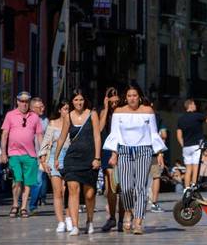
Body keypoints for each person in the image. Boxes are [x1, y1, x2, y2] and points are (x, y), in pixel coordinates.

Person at [103, 86, 167, 235]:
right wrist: (114, 153)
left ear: (139, 97)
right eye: (129, 95)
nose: (132, 98)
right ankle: (128, 211)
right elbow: (115, 134)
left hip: (144, 150)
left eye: (135, 95)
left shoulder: (147, 111)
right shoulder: (119, 112)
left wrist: (159, 153)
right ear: (126, 98)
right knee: (125, 187)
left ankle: (138, 221)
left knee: (140, 187)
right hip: (124, 151)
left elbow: (153, 133)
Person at [55, 89, 102, 235]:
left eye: (81, 100)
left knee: (89, 194)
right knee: (73, 190)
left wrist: (97, 157)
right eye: (75, 100)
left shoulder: (92, 114)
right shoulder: (68, 116)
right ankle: (75, 225)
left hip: (89, 158)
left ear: (84, 100)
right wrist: (56, 157)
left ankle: (89, 220)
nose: (79, 103)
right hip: (72, 158)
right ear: (72, 102)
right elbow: (62, 137)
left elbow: (97, 137)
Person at [0, 91, 44, 218]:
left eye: (26, 101)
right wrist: (3, 153)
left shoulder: (34, 117)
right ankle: (15, 204)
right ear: (17, 102)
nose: (24, 104)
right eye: (22, 101)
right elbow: (4, 135)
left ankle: (23, 207)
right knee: (17, 180)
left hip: (30, 155)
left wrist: (42, 153)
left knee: (28, 183)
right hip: (14, 154)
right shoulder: (10, 115)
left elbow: (40, 135)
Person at [39, 101, 71, 232]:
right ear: (59, 110)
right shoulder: (52, 124)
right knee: (57, 192)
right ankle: (60, 221)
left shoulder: (73, 124)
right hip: (54, 158)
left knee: (68, 191)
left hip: (70, 158)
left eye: (69, 109)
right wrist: (43, 161)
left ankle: (69, 218)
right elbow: (46, 143)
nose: (67, 111)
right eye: (64, 109)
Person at [176, 99, 207, 189]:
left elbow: (179, 135)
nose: (195, 106)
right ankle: (193, 186)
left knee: (188, 169)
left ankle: (186, 189)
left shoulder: (181, 119)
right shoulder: (198, 116)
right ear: (190, 105)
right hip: (196, 146)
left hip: (186, 147)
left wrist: (183, 145)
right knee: (195, 168)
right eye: (194, 104)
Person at [98, 87, 123, 232]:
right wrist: (106, 108)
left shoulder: (124, 112)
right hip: (107, 150)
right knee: (110, 188)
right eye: (111, 97)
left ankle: (121, 218)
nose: (114, 101)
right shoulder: (104, 112)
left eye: (116, 98)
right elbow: (100, 129)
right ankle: (113, 218)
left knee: (122, 187)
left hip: (122, 149)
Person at [28, 97, 49, 210]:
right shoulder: (27, 119)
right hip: (28, 154)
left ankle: (33, 204)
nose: (43, 108)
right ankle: (21, 202)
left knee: (39, 180)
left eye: (43, 106)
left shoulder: (45, 120)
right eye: (40, 107)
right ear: (32, 108)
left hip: (41, 155)